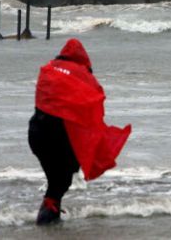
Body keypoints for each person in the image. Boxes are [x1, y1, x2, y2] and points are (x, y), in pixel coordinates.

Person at [28, 38, 131, 225]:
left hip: (37, 133)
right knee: (61, 180)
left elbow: (49, 102)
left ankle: (51, 212)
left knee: (56, 180)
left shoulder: (48, 70)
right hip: (62, 137)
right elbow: (95, 98)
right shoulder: (82, 74)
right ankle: (48, 217)